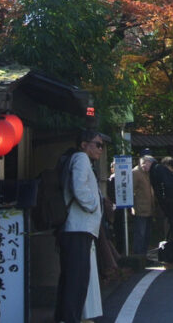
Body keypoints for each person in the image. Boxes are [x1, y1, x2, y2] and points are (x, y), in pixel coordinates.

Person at [55, 129, 106, 323]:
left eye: (102, 145)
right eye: (98, 144)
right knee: (77, 279)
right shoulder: (81, 159)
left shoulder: (74, 159)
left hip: (74, 228)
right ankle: (71, 319)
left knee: (71, 277)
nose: (101, 149)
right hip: (78, 227)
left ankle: (65, 317)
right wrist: (93, 205)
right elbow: (79, 187)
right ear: (84, 144)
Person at [132, 152, 157, 258]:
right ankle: (138, 256)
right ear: (143, 163)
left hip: (149, 208)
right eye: (147, 164)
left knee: (147, 234)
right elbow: (131, 190)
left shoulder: (148, 173)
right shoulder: (136, 172)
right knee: (140, 233)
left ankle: (144, 255)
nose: (148, 166)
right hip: (140, 208)